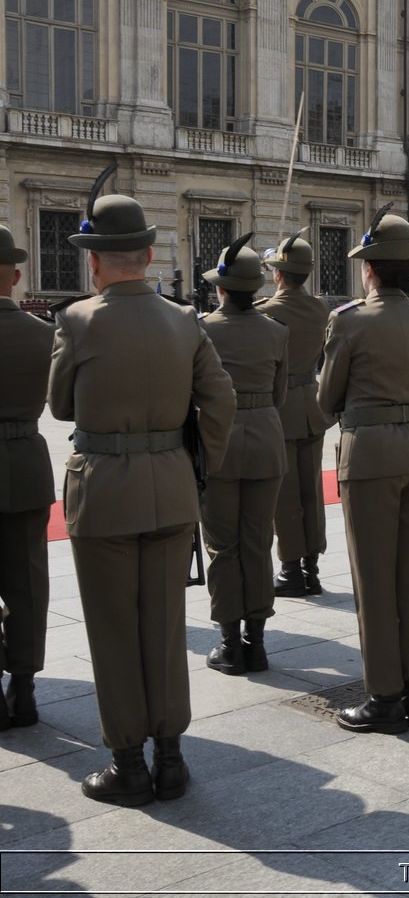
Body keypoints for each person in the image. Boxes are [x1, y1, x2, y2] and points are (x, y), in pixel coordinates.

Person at [49, 192, 235, 803]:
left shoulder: (77, 320)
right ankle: (172, 758)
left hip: (103, 491)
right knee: (163, 625)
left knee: (112, 630)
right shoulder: (184, 320)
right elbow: (222, 399)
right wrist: (199, 462)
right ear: (150, 256)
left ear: (95, 262)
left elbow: (60, 405)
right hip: (171, 488)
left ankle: (129, 764)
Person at [318, 207, 409, 734]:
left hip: (369, 458)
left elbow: (325, 399)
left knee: (373, 581)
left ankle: (383, 696)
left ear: (372, 268)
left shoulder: (349, 320)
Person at [198, 236, 289, 676]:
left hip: (218, 445)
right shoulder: (276, 331)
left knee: (222, 545)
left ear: (220, 288)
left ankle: (229, 643)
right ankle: (257, 642)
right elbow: (279, 393)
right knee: (258, 541)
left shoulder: (202, 329)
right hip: (267, 441)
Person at [0, 225, 53, 730]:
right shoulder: (44, 335)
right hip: (27, 462)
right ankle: (25, 686)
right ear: (16, 277)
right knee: (28, 581)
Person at [259, 233, 332, 598]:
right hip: (311, 405)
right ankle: (312, 567)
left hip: (281, 406)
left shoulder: (266, 312)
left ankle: (290, 569)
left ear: (279, 274)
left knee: (286, 495)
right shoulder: (320, 308)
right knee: (311, 490)